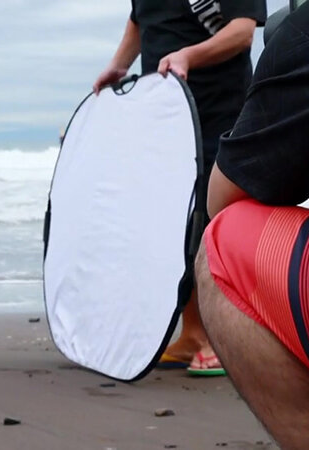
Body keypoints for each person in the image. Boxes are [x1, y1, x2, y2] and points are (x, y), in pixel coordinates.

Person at [93, 0, 266, 375]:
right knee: (176, 224)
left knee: (213, 225)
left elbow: (242, 32)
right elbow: (141, 17)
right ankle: (192, 333)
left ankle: (221, 340)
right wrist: (120, 64)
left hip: (221, 110)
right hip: (165, 115)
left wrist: (189, 55)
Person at [196, 1, 309, 445]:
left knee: (223, 239)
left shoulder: (306, 28)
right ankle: (190, 336)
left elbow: (225, 199)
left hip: (216, 108)